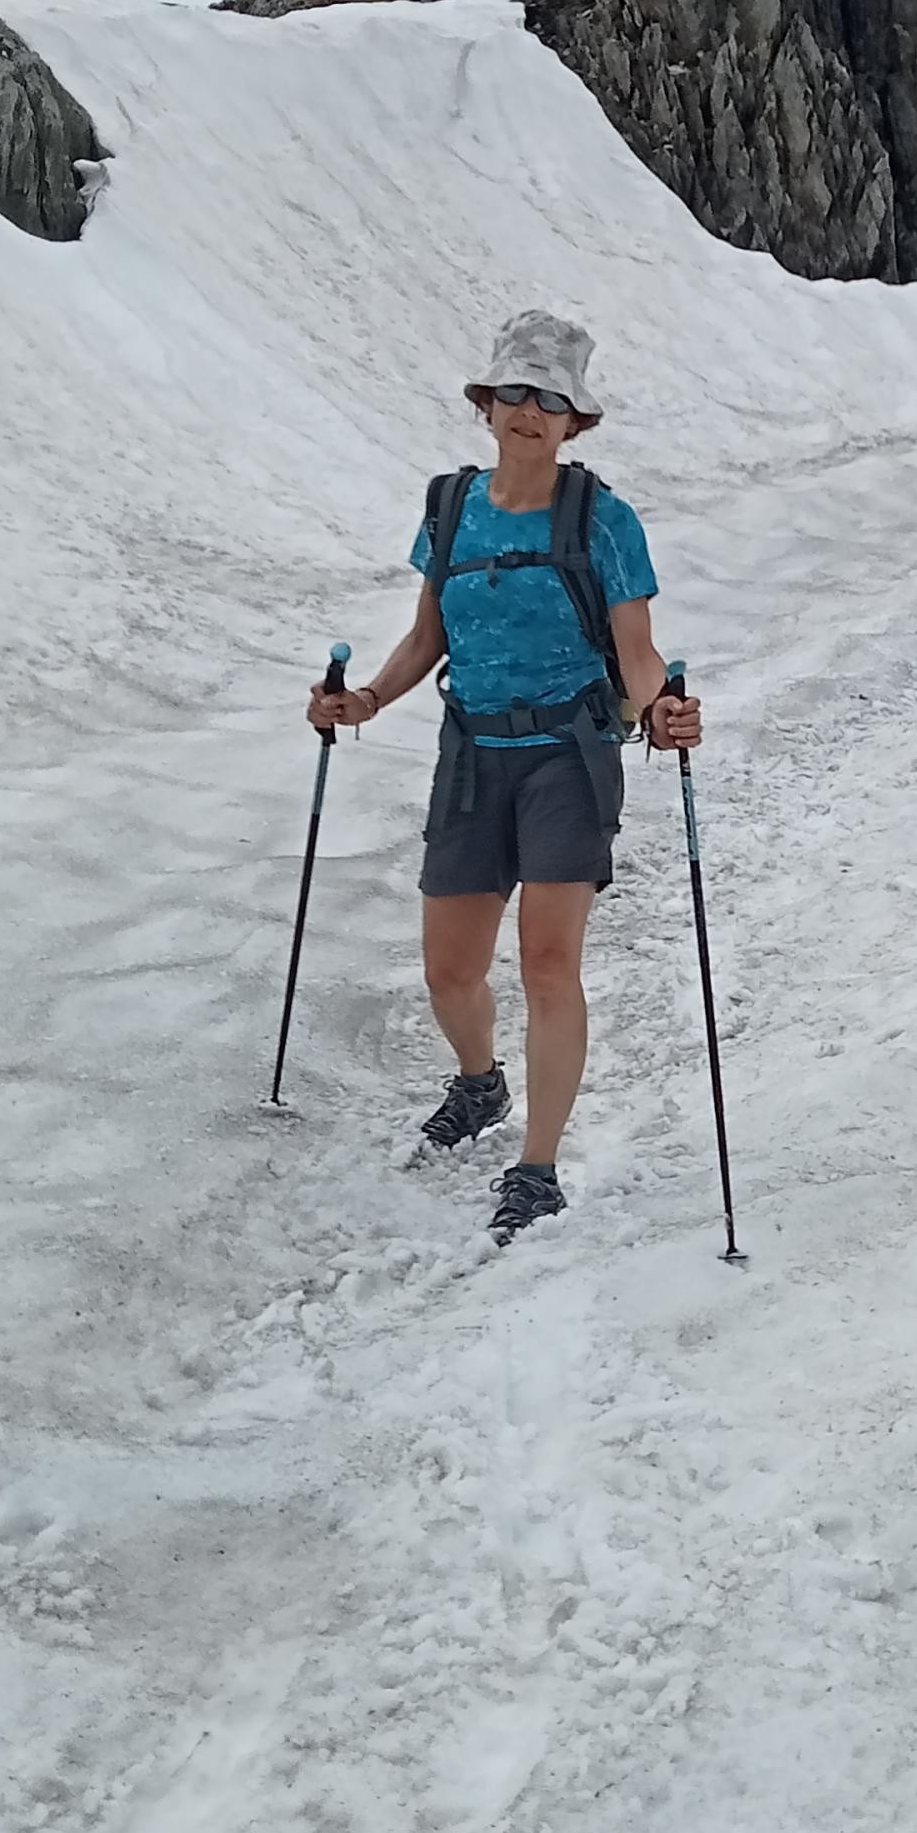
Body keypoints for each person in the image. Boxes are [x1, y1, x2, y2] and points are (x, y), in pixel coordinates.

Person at [307, 309, 699, 1241]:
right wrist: (363, 701)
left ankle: (539, 1165)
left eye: (550, 399)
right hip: (472, 753)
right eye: (514, 392)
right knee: (450, 972)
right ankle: (479, 1083)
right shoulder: (450, 510)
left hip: (568, 753)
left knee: (549, 962)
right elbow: (426, 637)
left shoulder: (603, 519)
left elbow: (637, 654)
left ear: (575, 422)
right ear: (487, 405)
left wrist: (662, 714)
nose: (529, 410)